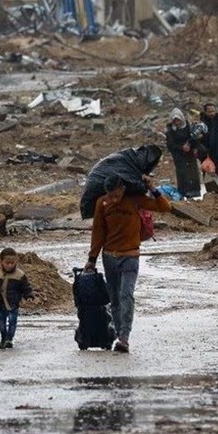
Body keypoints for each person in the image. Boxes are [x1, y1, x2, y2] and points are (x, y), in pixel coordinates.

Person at [84, 173, 171, 353]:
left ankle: (124, 337)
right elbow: (98, 231)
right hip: (109, 257)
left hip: (130, 256)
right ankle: (118, 334)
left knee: (126, 295)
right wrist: (92, 259)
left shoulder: (135, 200)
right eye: (110, 195)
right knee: (115, 299)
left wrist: (152, 188)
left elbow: (165, 207)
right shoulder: (102, 203)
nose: (113, 199)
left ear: (123, 189)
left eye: (116, 195)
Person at [165, 108, 201, 198]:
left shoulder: (189, 126)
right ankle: (184, 192)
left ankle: (195, 191)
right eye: (175, 121)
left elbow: (195, 138)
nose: (177, 123)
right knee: (182, 173)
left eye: (178, 120)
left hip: (190, 153)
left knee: (193, 172)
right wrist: (182, 147)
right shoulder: (170, 130)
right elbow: (170, 144)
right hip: (179, 155)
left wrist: (192, 147)